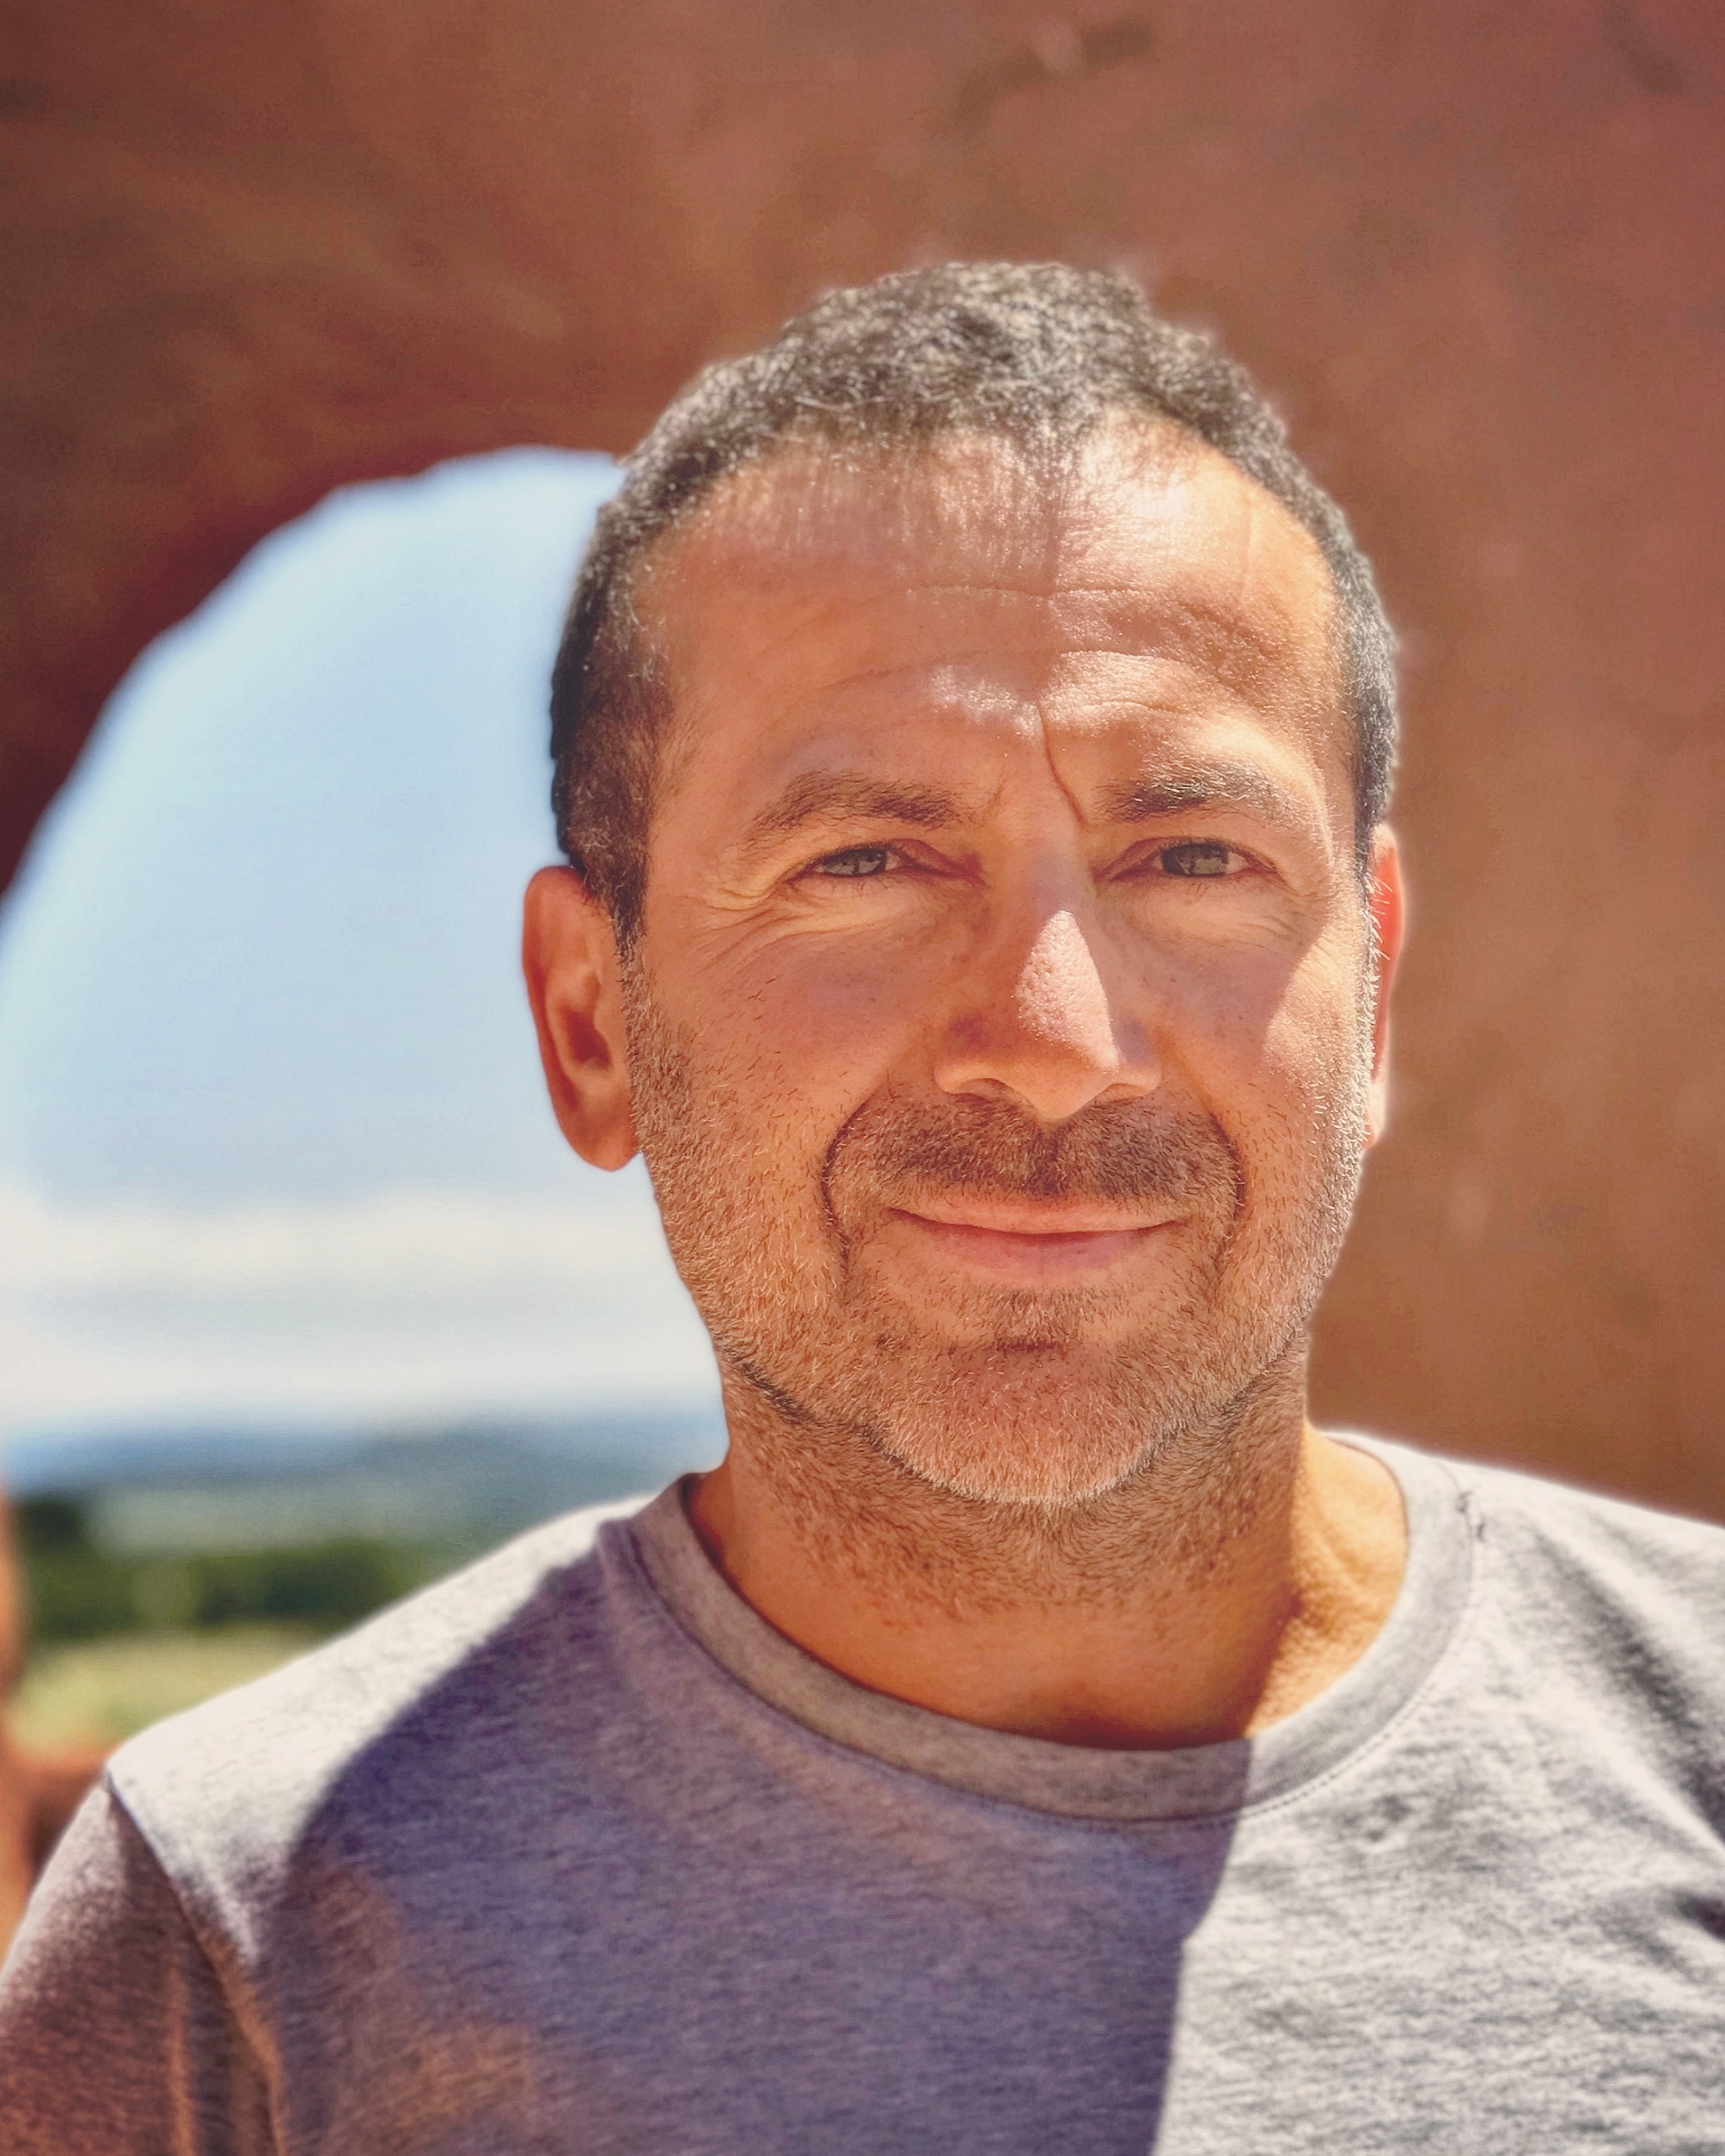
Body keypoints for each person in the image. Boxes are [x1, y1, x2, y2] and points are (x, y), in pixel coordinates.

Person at [3, 261, 1722, 2152]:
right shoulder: (240, 1940)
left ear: (1370, 988)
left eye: (1191, 854)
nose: (1055, 1046)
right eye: (868, 860)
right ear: (592, 1026)